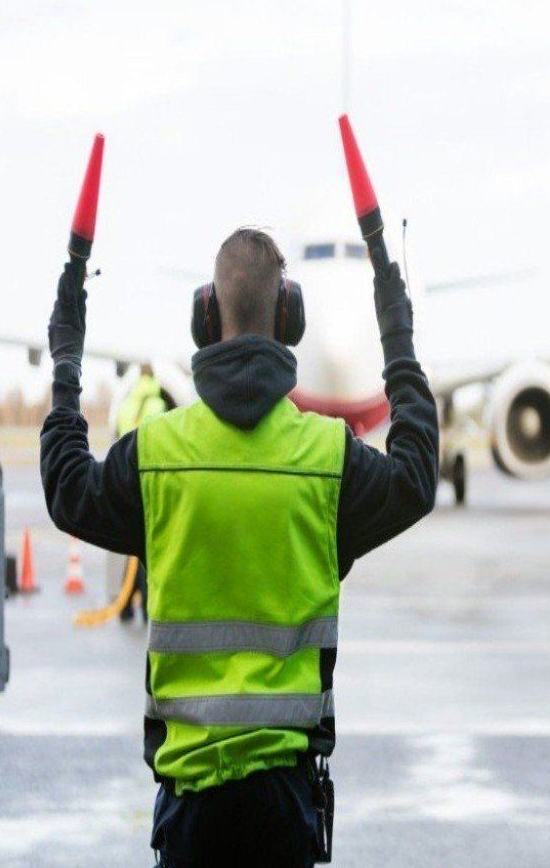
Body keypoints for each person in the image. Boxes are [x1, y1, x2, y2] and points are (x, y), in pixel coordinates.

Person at [41, 226, 438, 866]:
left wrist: (66, 365)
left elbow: (65, 485)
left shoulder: (157, 455)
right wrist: (398, 340)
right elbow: (416, 476)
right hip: (285, 804)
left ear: (206, 314)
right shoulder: (328, 459)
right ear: (290, 316)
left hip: (190, 808)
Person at [114, 364, 168, 623]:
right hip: (151, 482)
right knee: (149, 547)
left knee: (132, 546)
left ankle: (125, 605)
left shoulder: (126, 405)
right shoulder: (157, 405)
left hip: (128, 480)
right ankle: (146, 605)